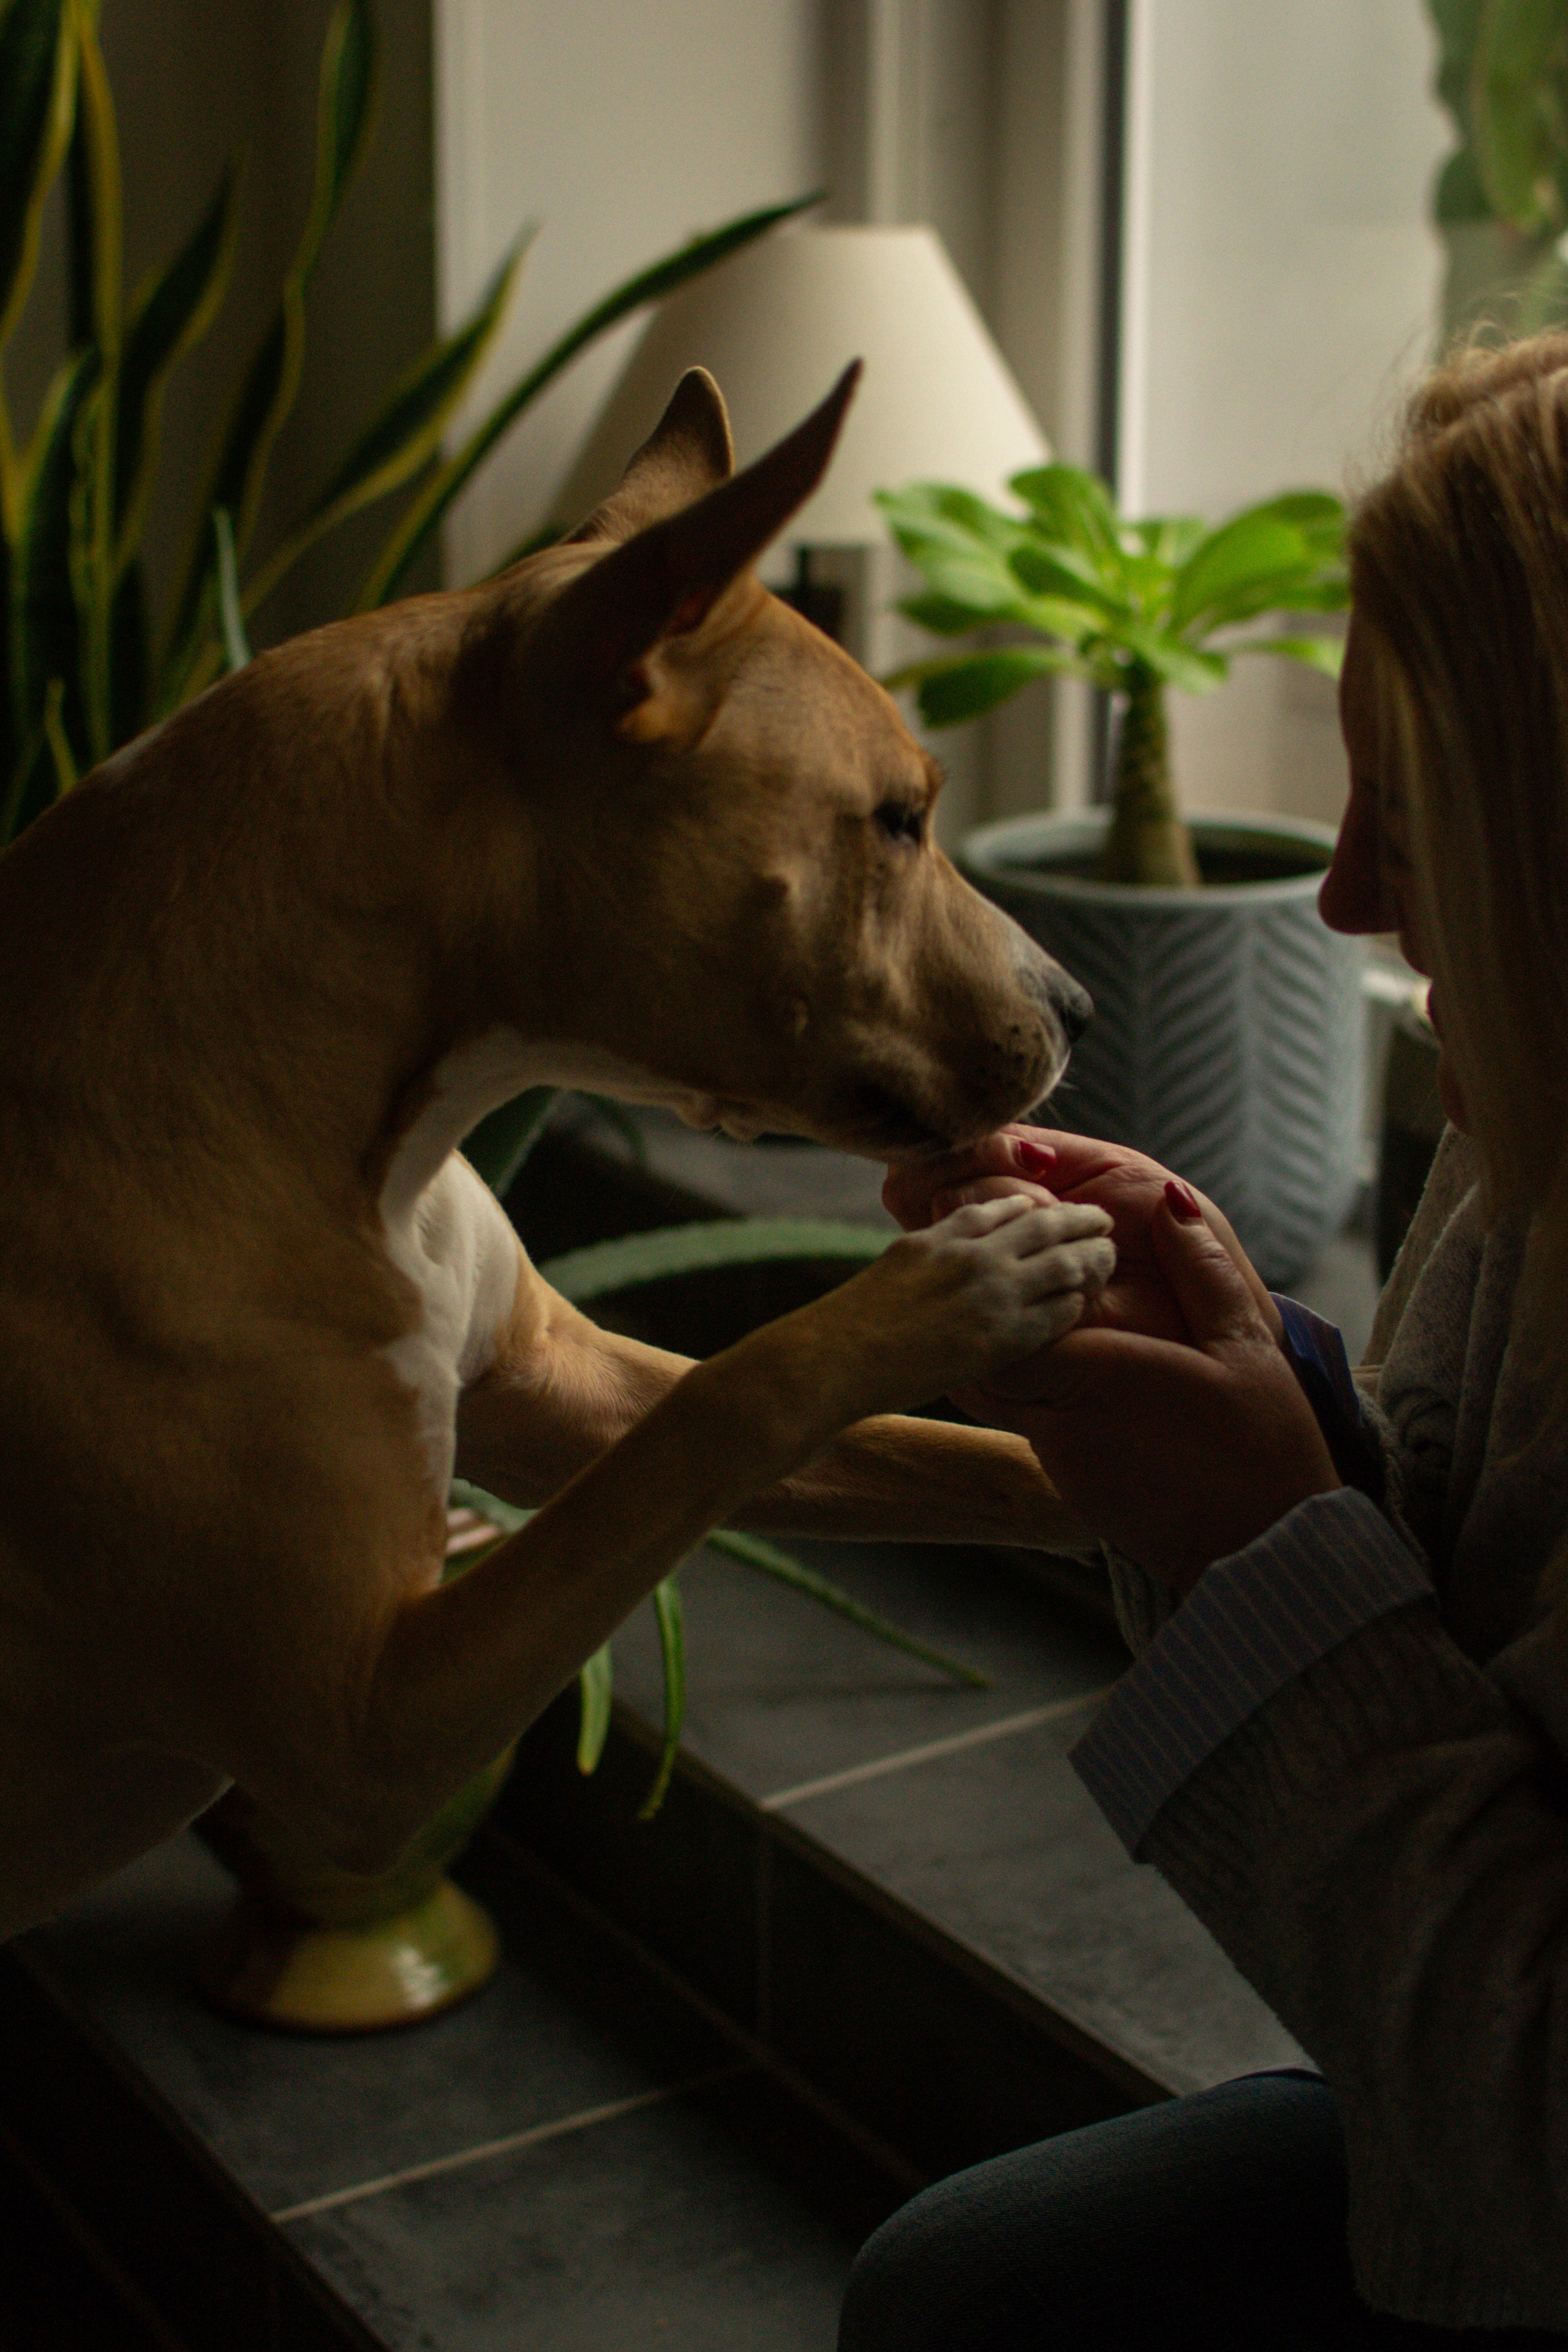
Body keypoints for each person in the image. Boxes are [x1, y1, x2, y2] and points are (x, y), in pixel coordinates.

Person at [840, 333, 1568, 2349]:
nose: (1338, 893)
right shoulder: (1530, 1088)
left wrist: (1261, 1550)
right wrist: (1267, 1397)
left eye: (1416, 839)